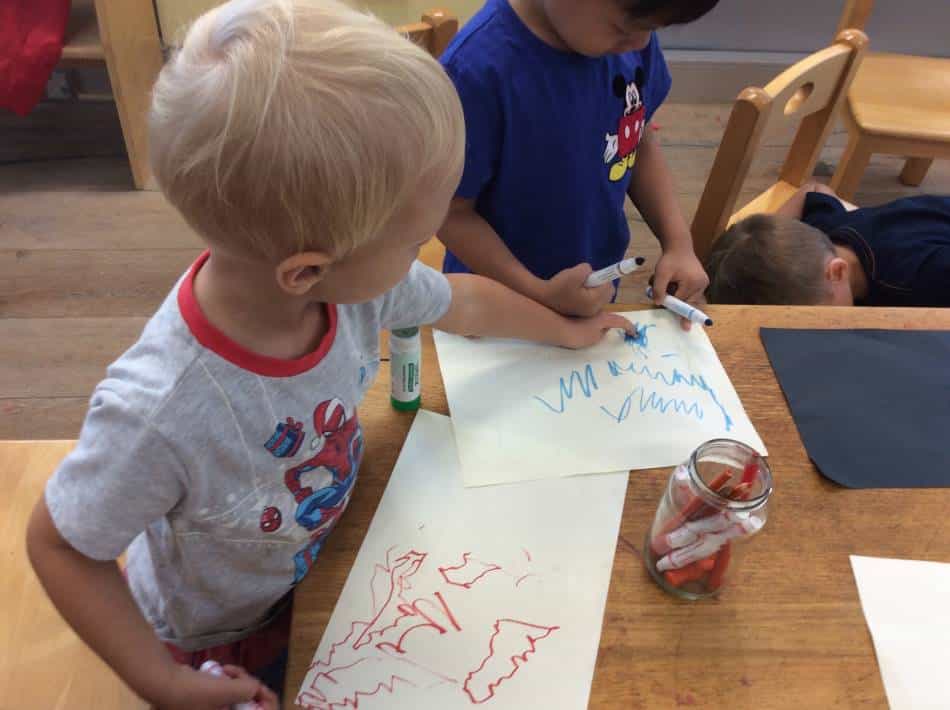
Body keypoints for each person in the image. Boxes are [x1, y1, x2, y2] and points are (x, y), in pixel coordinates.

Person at [25, 2, 633, 708]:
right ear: (306, 272)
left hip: (329, 561)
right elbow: (62, 546)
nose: (422, 259)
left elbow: (463, 302)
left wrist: (562, 331)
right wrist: (159, 681)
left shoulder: (353, 286)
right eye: (413, 244)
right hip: (214, 634)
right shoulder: (159, 411)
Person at [437, 0, 720, 323]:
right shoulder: (475, 73)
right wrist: (538, 292)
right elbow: (450, 213)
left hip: (589, 297)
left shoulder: (626, 40)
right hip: (494, 312)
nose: (641, 43)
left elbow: (637, 138)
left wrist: (678, 244)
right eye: (624, 27)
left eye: (652, 29)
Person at [705, 182, 950, 306]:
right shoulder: (820, 231)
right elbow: (812, 189)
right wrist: (773, 236)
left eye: (816, 322)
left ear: (837, 271)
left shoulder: (919, 278)